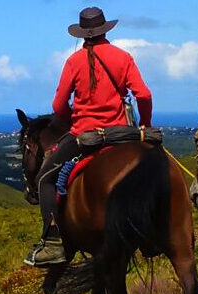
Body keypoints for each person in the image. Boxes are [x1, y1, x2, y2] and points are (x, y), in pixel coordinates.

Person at [26, 6, 152, 267]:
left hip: (84, 136)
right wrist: (145, 124)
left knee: (45, 179)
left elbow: (59, 105)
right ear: (105, 29)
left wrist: (73, 116)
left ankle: (53, 243)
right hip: (122, 134)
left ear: (83, 34)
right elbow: (144, 95)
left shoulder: (73, 62)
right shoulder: (123, 57)